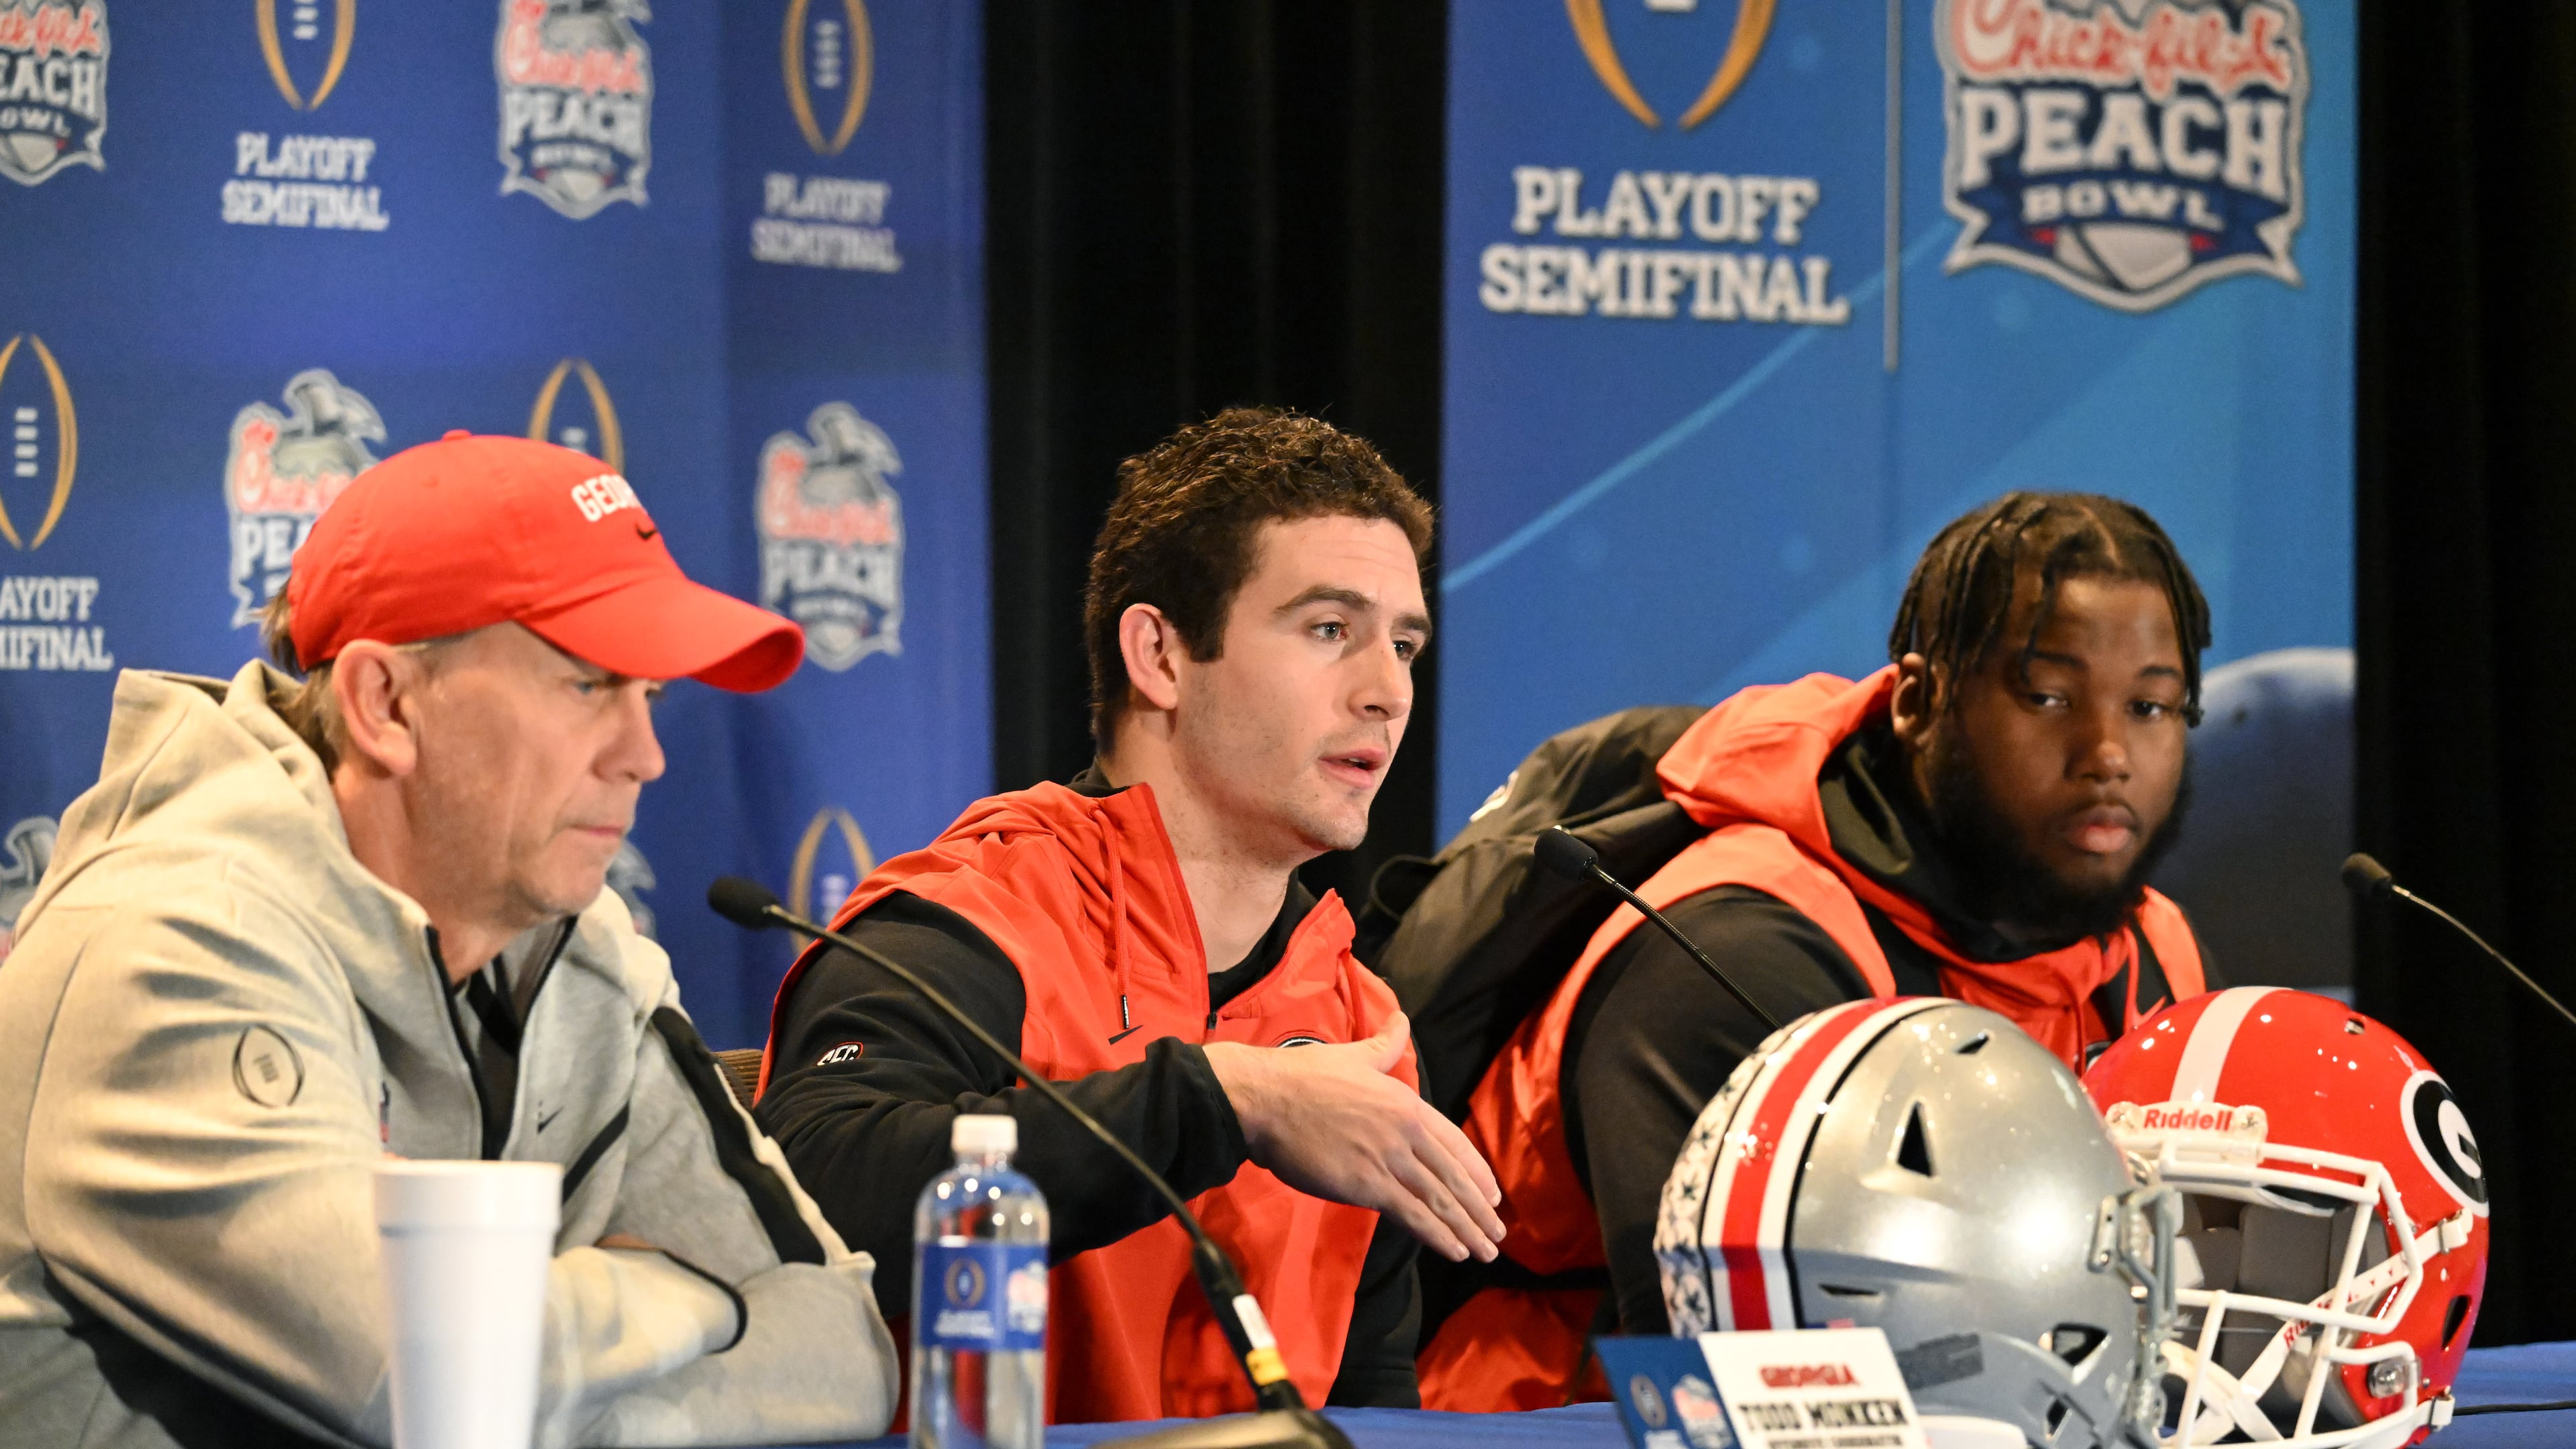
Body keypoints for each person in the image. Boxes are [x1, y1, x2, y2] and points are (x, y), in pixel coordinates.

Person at [0, 434, 900, 1448]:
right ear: (387, 704)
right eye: (588, 685)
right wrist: (688, 1293)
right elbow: (415, 1383)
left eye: (650, 695)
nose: (646, 757)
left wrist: (573, 1398)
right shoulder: (164, 949)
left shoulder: (576, 949)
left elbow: (843, 1350)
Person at [756, 407, 1504, 1422]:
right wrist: (1231, 1100)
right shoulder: (966, 921)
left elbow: (1369, 1402)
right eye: (1330, 630)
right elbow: (806, 1193)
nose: (1387, 692)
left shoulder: (1357, 1022)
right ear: (1158, 656)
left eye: (1404, 645)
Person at [1417, 492, 2214, 1410]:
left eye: (2152, 706)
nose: (2108, 753)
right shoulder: (1731, 946)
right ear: (1921, 701)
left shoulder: (2156, 950)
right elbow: (1732, 1381)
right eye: (2047, 695)